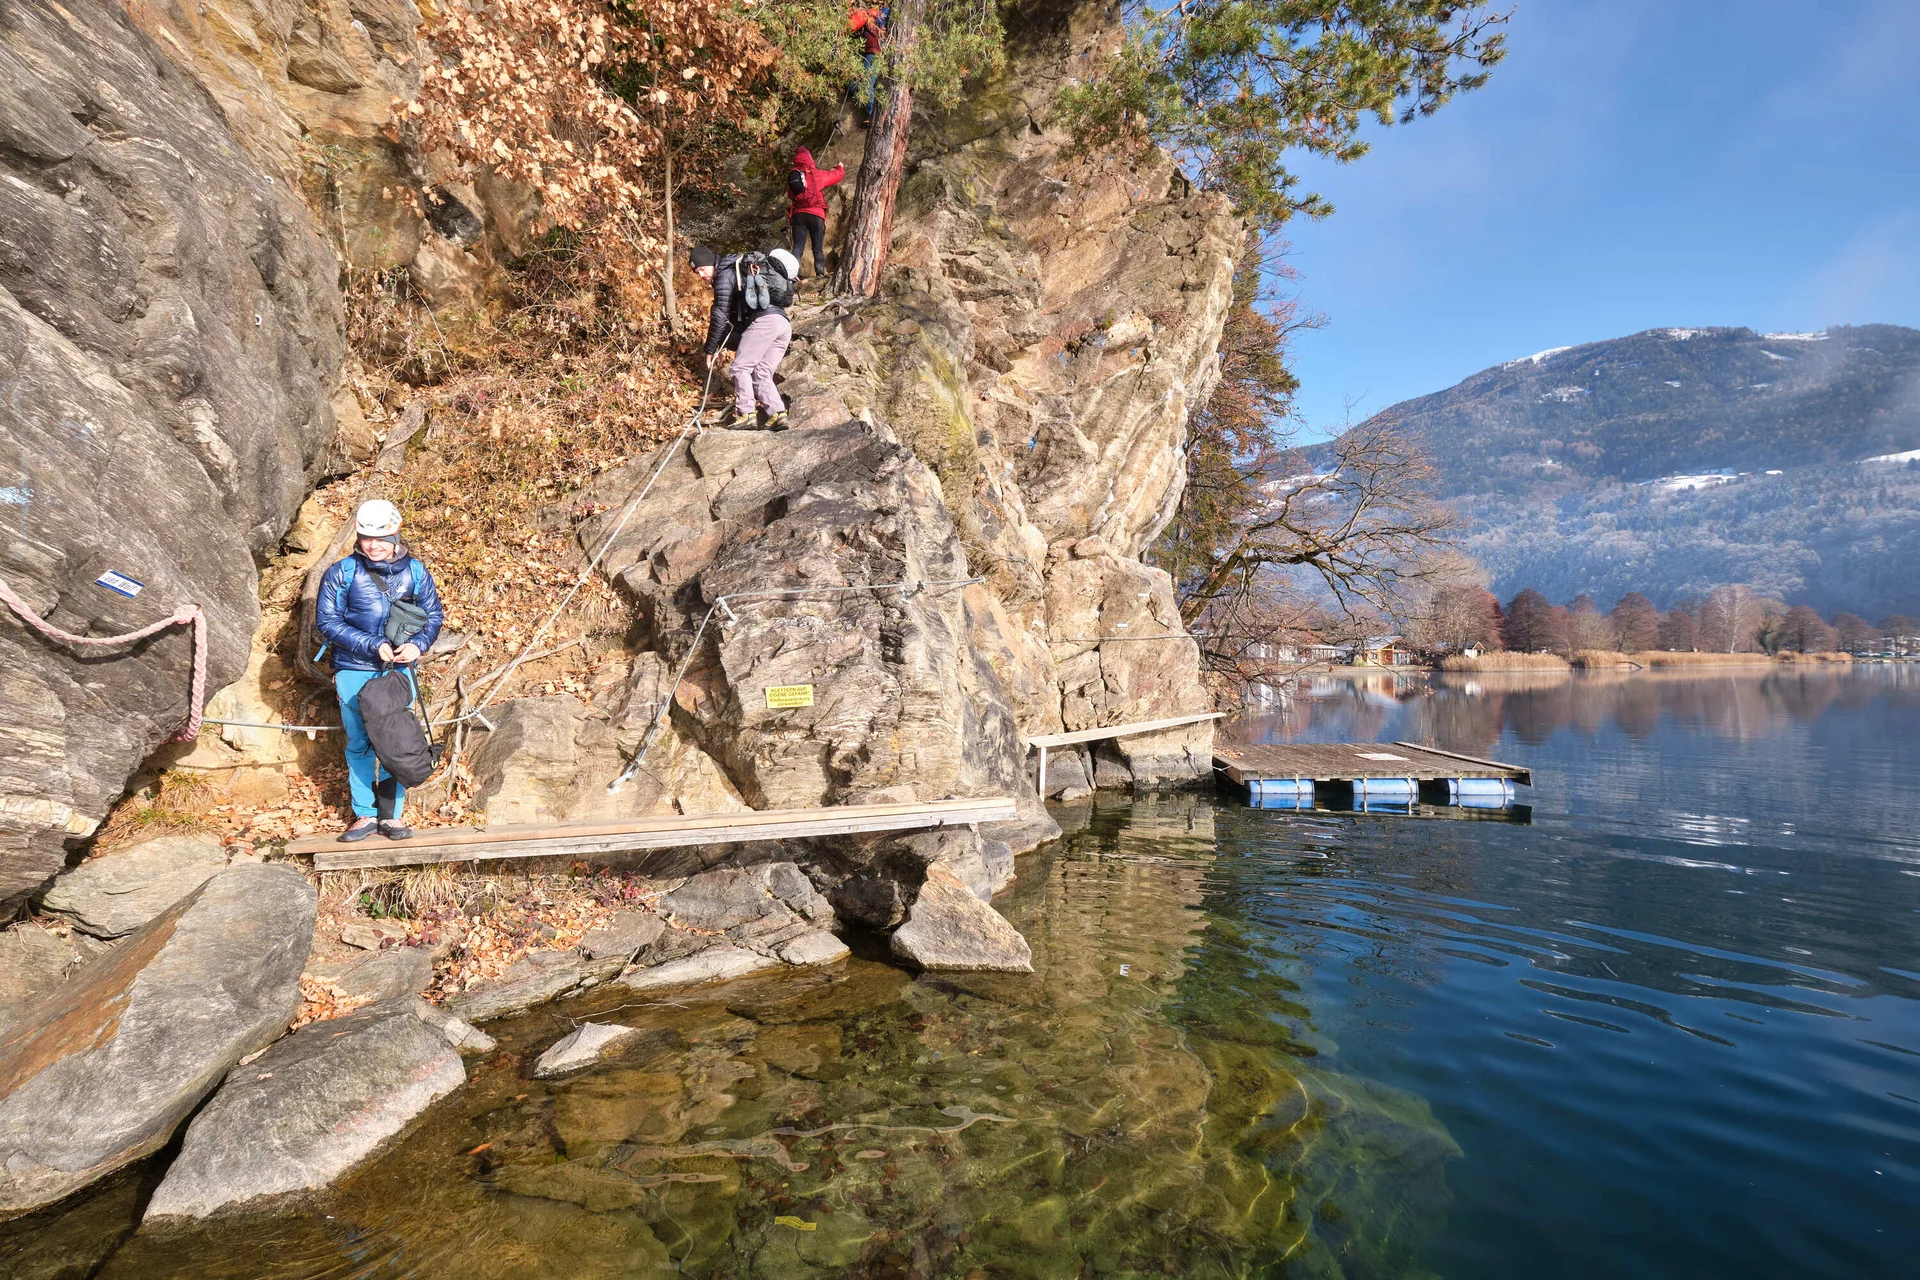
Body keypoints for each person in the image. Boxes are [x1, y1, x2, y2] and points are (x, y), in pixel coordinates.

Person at [315, 499, 444, 842]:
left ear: (395, 535)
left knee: (396, 742)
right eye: (365, 537)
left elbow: (432, 616)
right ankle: (365, 815)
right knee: (359, 744)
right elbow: (327, 621)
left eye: (381, 538)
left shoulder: (416, 572)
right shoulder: (341, 572)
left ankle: (392, 816)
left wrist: (418, 644)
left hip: (399, 672)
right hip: (353, 668)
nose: (372, 545)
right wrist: (371, 644)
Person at [690, 244, 800, 430]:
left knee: (740, 367)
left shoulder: (724, 275)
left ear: (710, 262)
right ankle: (777, 414)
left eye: (701, 269)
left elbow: (719, 315)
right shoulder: (737, 269)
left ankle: (745, 413)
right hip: (782, 324)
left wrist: (710, 349)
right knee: (761, 372)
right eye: (697, 272)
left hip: (764, 323)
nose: (701, 275)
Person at [786, 147, 844, 281]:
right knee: (817, 247)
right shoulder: (817, 174)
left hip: (798, 215)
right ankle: (820, 274)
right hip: (816, 215)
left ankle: (790, 274)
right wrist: (840, 168)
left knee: (798, 247)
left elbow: (790, 194)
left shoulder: (794, 175)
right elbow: (837, 176)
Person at [848, 5, 886, 124]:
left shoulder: (865, 14)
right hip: (869, 54)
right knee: (853, 86)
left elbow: (850, 26)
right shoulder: (879, 16)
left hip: (873, 54)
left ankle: (871, 116)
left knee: (866, 84)